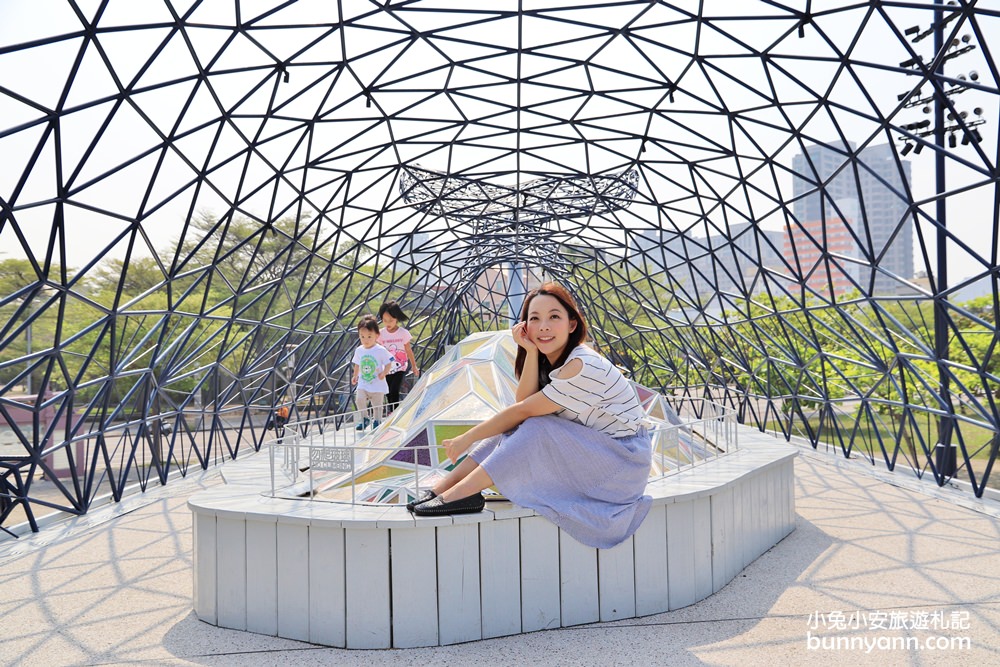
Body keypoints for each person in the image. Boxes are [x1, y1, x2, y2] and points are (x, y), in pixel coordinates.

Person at [409, 283, 652, 550]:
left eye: (554, 317)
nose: (544, 326)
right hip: (598, 452)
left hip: (622, 465)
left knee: (536, 427)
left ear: (572, 324)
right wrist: (532, 351)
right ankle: (444, 489)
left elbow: (522, 410)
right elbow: (524, 405)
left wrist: (466, 438)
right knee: (526, 425)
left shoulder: (581, 365)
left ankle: (460, 495)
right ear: (525, 326)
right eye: (534, 319)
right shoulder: (557, 361)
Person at [351, 315, 394, 431]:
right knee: (359, 399)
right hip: (363, 383)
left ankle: (377, 421)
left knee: (377, 406)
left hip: (377, 383)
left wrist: (384, 373)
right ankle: (365, 419)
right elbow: (357, 364)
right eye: (362, 336)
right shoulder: (359, 350)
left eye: (369, 336)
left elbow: (389, 362)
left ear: (377, 335)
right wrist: (355, 376)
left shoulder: (380, 350)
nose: (366, 340)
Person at [377, 301, 420, 411]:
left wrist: (414, 366)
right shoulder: (380, 334)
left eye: (391, 320)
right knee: (388, 390)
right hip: (386, 367)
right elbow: (378, 351)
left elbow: (408, 350)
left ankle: (394, 412)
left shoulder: (403, 333)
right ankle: (392, 411)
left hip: (400, 366)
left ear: (397, 318)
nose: (388, 323)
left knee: (394, 389)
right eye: (385, 320)